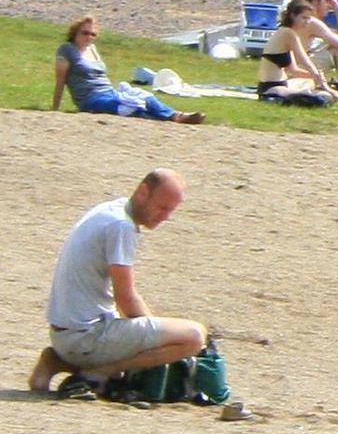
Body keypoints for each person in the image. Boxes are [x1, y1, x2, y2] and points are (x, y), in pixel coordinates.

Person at [29, 169, 209, 398]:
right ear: (143, 192)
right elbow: (126, 298)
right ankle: (100, 372)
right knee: (193, 336)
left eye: (171, 210)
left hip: (64, 335)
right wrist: (156, 342)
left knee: (153, 337)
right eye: (162, 207)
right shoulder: (121, 227)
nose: (166, 217)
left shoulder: (109, 209)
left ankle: (56, 361)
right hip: (85, 338)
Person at [51, 17, 204, 124]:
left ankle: (176, 116)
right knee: (129, 106)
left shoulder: (92, 49)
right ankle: (171, 119)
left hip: (109, 92)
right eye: (85, 33)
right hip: (90, 99)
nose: (89, 37)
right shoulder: (67, 50)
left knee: (144, 96)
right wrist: (55, 109)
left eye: (93, 34)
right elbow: (60, 81)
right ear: (75, 32)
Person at [257, 0, 338, 106]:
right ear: (292, 16)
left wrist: (317, 77)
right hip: (272, 88)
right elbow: (305, 61)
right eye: (303, 18)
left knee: (308, 83)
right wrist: (325, 86)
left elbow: (294, 70)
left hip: (281, 83)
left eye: (309, 18)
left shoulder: (286, 33)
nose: (307, 22)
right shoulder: (288, 34)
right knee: (324, 96)